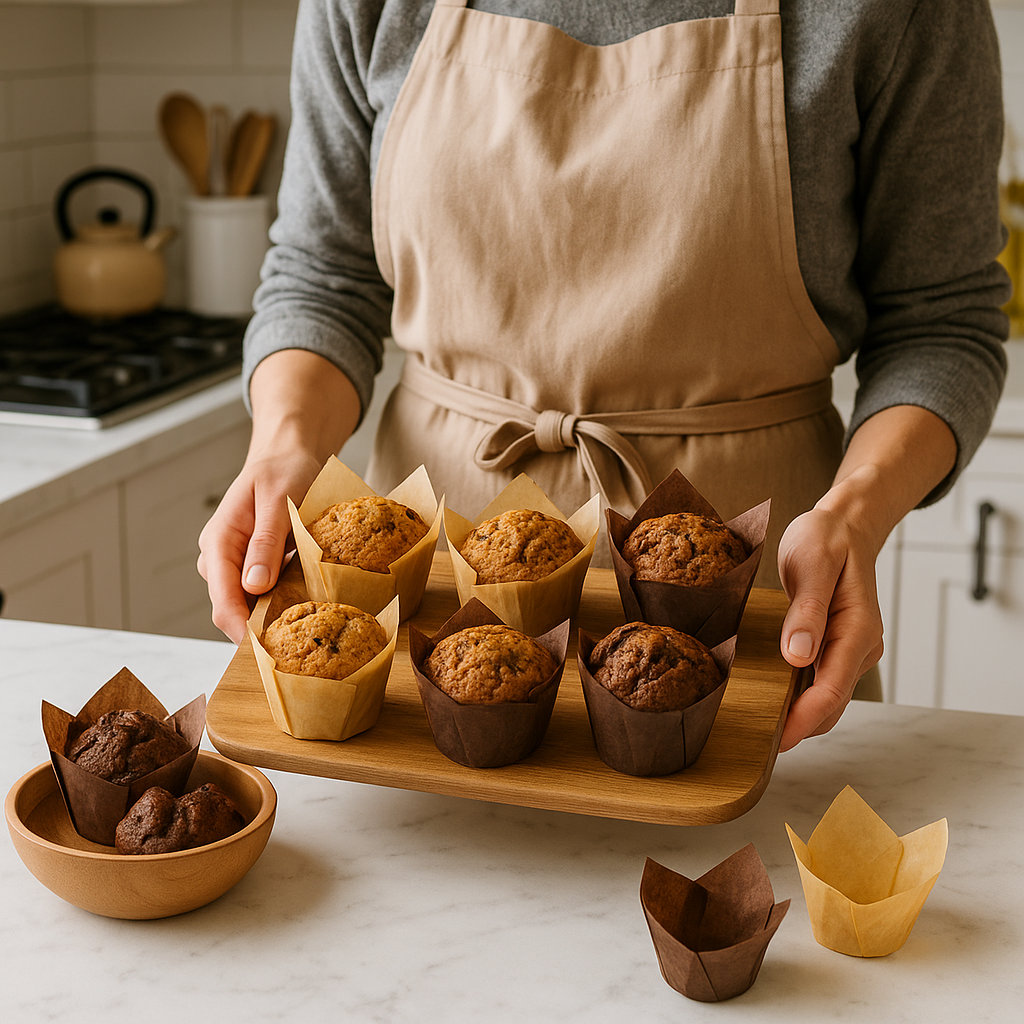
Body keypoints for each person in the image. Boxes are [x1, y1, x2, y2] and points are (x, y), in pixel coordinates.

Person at [198, 0, 1010, 751]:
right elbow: (324, 274)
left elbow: (940, 321)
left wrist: (857, 515)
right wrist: (285, 444)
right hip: (432, 568)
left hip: (751, 587)